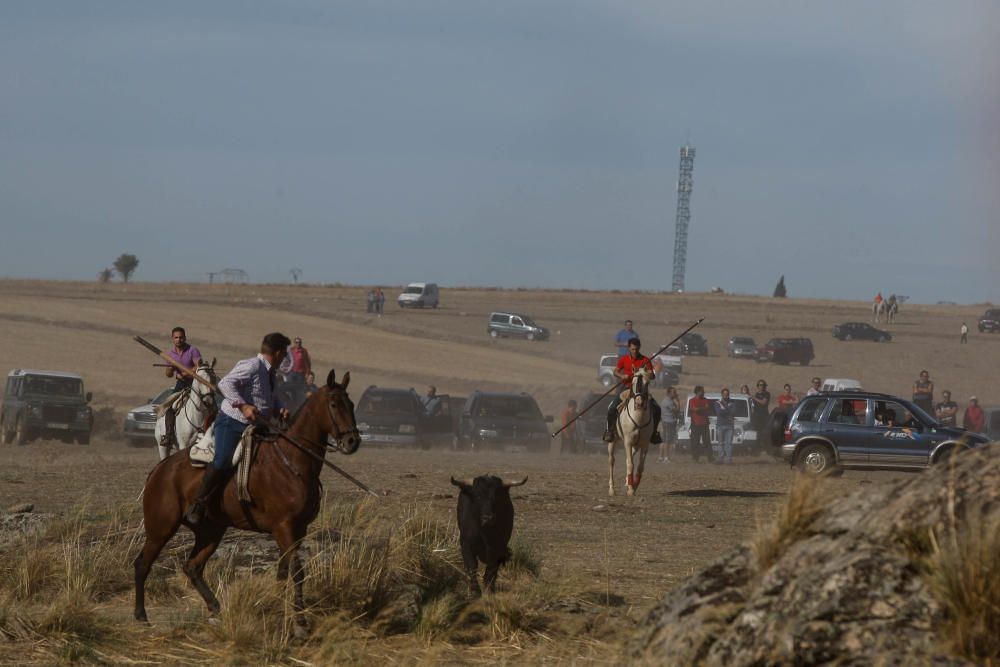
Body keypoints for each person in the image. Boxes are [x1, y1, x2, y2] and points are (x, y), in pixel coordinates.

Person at [184, 332, 291, 527]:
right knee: (224, 459)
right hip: (232, 422)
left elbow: (269, 398)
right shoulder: (252, 365)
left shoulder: (271, 373)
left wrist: (278, 408)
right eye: (284, 354)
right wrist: (243, 406)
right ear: (276, 353)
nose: (284, 359)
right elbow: (225, 384)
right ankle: (198, 504)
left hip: (259, 425)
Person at [603, 337, 662, 444]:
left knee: (657, 409)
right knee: (612, 408)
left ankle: (654, 433)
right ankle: (610, 431)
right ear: (629, 348)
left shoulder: (645, 360)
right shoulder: (624, 359)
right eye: (633, 349)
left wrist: (645, 374)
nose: (635, 351)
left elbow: (652, 375)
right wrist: (622, 376)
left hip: (642, 390)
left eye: (637, 349)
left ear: (639, 348)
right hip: (626, 388)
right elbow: (615, 371)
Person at [161, 327, 203, 448]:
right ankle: (168, 435)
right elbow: (168, 375)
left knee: (208, 404)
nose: (179, 340)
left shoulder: (193, 350)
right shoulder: (171, 355)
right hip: (181, 384)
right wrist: (169, 368)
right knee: (170, 406)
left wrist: (184, 373)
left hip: (195, 382)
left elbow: (198, 366)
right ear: (172, 339)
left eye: (181, 337)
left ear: (185, 338)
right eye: (176, 337)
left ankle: (209, 432)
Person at [688, 386, 713, 463]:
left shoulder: (705, 400)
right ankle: (695, 458)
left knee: (707, 442)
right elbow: (694, 409)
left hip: (704, 424)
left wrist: (699, 409)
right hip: (695, 424)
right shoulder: (692, 400)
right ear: (698, 392)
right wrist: (702, 408)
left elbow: (707, 407)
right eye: (702, 391)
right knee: (695, 442)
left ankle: (710, 457)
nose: (703, 392)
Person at [714, 388, 735, 464]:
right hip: (720, 425)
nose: (726, 395)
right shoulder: (717, 403)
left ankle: (729, 459)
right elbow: (719, 412)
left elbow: (733, 412)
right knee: (720, 443)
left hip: (730, 426)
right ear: (722, 394)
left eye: (727, 394)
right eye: (724, 394)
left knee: (729, 443)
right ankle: (720, 458)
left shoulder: (732, 402)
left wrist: (725, 410)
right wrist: (728, 410)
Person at [659, 386, 680, 463]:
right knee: (667, 441)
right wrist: (678, 402)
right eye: (674, 392)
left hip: (666, 422)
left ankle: (661, 457)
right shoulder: (668, 402)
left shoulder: (668, 401)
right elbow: (677, 411)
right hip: (668, 422)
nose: (675, 394)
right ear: (668, 393)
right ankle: (666, 458)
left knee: (664, 440)